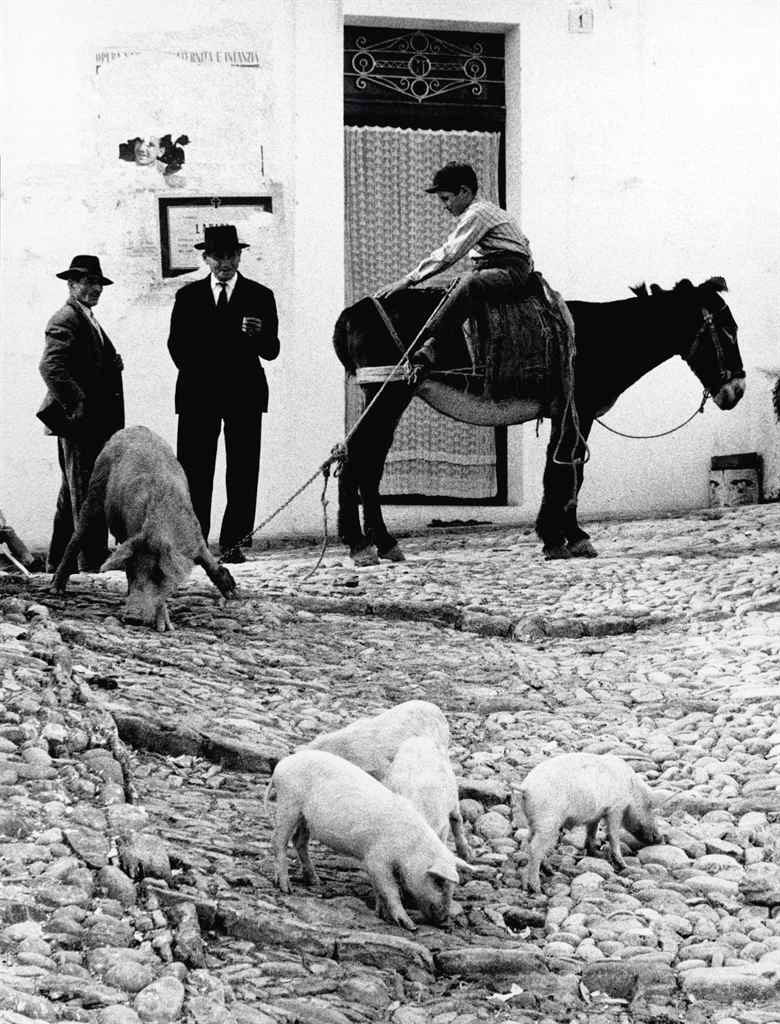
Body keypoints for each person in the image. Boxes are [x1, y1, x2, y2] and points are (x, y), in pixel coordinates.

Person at [167, 223, 280, 563]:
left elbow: (272, 350)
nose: (225, 262)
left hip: (244, 394)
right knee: (194, 469)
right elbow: (176, 347)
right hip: (198, 394)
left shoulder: (261, 296)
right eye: (218, 256)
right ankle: (193, 543)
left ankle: (233, 543)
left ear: (240, 255)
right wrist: (206, 366)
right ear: (206, 258)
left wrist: (260, 335)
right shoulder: (187, 297)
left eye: (231, 255)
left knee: (243, 470)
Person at [376, 161, 538, 375]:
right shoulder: (485, 211)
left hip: (510, 269)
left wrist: (408, 280)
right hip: (493, 265)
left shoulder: (478, 213)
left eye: (446, 198)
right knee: (444, 285)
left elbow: (449, 254)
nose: (445, 206)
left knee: (468, 283)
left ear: (464, 191)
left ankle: (434, 342)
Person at [37, 255, 125, 572]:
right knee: (88, 494)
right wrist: (78, 404)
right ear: (72, 284)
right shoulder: (66, 318)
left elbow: (86, 363)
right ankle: (90, 564)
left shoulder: (86, 317)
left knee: (71, 492)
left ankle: (58, 563)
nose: (94, 288)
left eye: (98, 283)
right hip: (82, 425)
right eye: (87, 282)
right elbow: (51, 367)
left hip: (93, 424)